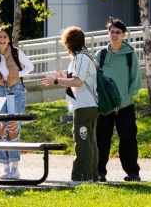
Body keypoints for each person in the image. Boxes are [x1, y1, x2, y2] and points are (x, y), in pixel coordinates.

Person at [41, 26, 98, 184]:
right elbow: (78, 79)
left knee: (82, 141)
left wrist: (56, 81)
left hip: (84, 105)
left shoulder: (80, 57)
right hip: (89, 104)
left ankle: (81, 177)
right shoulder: (85, 56)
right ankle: (92, 176)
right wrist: (64, 78)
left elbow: (78, 82)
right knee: (90, 141)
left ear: (69, 42)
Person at [0, 26, 34, 180]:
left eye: (5, 37)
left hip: (15, 90)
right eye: (0, 37)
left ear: (9, 39)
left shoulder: (16, 52)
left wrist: (18, 75)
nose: (2, 40)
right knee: (0, 128)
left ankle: (14, 167)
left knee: (12, 126)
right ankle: (4, 166)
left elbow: (30, 67)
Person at [95, 17, 142, 182]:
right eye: (112, 31)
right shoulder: (100, 55)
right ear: (108, 33)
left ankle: (132, 172)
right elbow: (94, 78)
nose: (114, 35)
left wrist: (127, 97)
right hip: (105, 106)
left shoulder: (130, 55)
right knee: (101, 139)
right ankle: (99, 172)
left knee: (128, 139)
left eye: (118, 32)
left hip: (125, 105)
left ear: (124, 35)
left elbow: (135, 80)